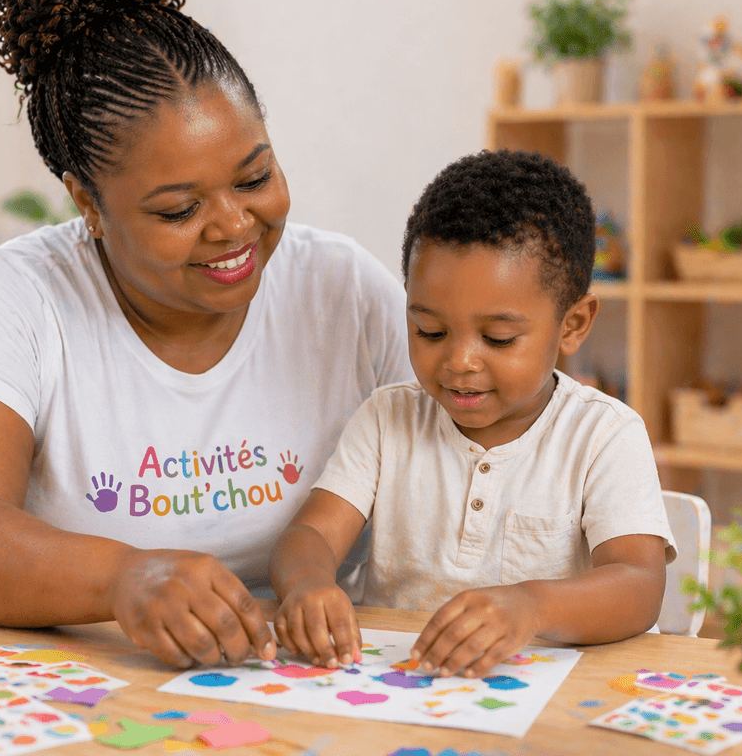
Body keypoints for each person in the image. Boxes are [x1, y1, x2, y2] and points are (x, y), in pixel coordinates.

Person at [0, 0, 411, 670]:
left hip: (284, 682)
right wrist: (122, 578)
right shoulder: (14, 299)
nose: (234, 226)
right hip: (73, 682)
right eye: (179, 210)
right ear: (88, 204)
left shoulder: (344, 292)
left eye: (254, 177)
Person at [269, 149, 677, 679]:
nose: (459, 361)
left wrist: (532, 606)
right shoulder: (387, 419)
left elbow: (639, 585)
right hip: (398, 685)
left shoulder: (603, 435)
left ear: (573, 325)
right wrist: (307, 584)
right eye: (430, 331)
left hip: (542, 692)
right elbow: (310, 535)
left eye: (498, 338)